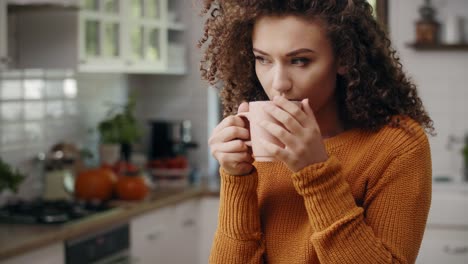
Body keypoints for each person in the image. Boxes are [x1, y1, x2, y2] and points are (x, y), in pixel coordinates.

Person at [199, 1, 434, 263]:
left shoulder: (398, 146)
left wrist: (316, 173)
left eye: (300, 60)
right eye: (263, 59)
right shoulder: (254, 143)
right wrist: (236, 178)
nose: (278, 84)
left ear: (344, 58)